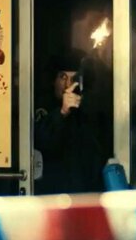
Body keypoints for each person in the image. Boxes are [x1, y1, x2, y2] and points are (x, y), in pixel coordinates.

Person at [34, 49, 107, 194]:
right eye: (63, 77)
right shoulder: (42, 106)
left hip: (85, 191)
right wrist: (62, 113)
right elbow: (41, 142)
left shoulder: (90, 109)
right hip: (52, 192)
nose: (67, 84)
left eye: (73, 78)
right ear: (53, 80)